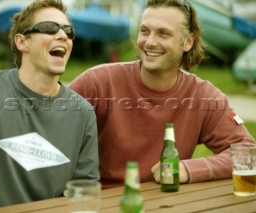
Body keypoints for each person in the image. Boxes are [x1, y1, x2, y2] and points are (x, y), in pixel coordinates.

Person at [69, 0, 256, 189]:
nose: (149, 42)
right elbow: (45, 134)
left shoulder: (204, 97)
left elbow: (249, 154)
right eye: (144, 31)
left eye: (163, 33)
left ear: (188, 42)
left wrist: (189, 169)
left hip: (168, 202)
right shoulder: (97, 83)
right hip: (103, 201)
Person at [0, 0, 99, 212]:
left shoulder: (83, 113)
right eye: (50, 28)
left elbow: (82, 193)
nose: (62, 36)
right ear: (22, 42)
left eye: (68, 31)